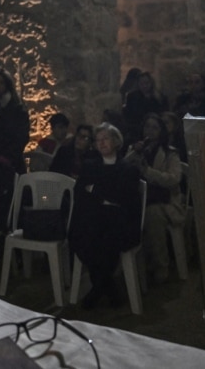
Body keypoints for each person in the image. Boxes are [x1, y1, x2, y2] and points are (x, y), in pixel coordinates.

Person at [67, 122, 141, 309]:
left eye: (105, 139)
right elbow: (80, 193)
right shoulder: (90, 166)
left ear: (116, 141)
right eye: (98, 140)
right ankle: (108, 287)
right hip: (93, 218)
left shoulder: (128, 169)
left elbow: (124, 198)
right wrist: (103, 194)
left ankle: (98, 289)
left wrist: (96, 190)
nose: (101, 143)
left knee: (105, 236)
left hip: (119, 221)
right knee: (85, 233)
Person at [123, 113, 185, 285]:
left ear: (162, 131)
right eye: (147, 126)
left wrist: (148, 172)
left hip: (164, 201)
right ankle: (132, 266)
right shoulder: (136, 149)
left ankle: (160, 266)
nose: (149, 130)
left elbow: (174, 178)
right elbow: (122, 168)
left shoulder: (170, 153)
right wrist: (134, 153)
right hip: (140, 198)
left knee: (152, 215)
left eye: (154, 127)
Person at [0, 68, 29, 233]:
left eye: (1, 83)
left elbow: (20, 137)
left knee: (9, 206)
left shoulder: (16, 109)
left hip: (11, 164)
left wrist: (7, 157)